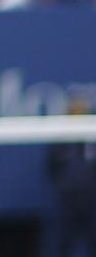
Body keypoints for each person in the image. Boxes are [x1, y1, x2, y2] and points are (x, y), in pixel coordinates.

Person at [46, 95, 96, 257]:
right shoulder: (61, 141)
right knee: (62, 244)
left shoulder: (93, 138)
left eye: (83, 111)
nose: (79, 114)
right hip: (68, 200)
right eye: (76, 111)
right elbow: (51, 168)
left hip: (92, 200)